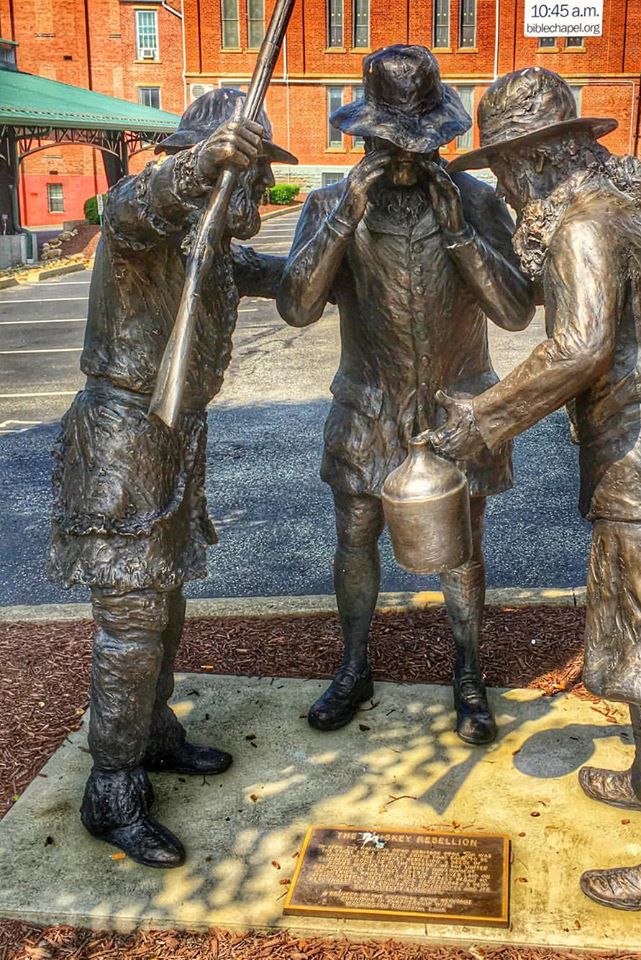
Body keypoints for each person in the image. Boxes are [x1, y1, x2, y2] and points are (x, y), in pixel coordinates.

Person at [433, 66, 641, 911]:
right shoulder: (627, 218)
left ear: (535, 163)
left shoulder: (583, 232)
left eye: (505, 168)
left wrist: (483, 419)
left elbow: (574, 350)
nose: (504, 183)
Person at [48, 89, 297, 868]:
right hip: (122, 442)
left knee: (166, 600)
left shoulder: (212, 247)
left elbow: (289, 282)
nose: (258, 192)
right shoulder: (146, 231)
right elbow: (128, 206)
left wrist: (356, 228)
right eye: (250, 175)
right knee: (131, 620)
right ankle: (112, 787)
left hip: (175, 439)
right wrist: (197, 166)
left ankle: (153, 733)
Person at [277, 45, 534, 745]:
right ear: (362, 138)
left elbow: (514, 313)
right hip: (366, 405)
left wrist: (457, 234)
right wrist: (342, 221)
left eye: (417, 145)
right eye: (386, 144)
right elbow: (297, 308)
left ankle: (468, 672)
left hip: (457, 404)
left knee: (462, 547)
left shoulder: (476, 202)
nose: (401, 159)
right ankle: (354, 664)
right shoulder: (330, 203)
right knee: (354, 537)